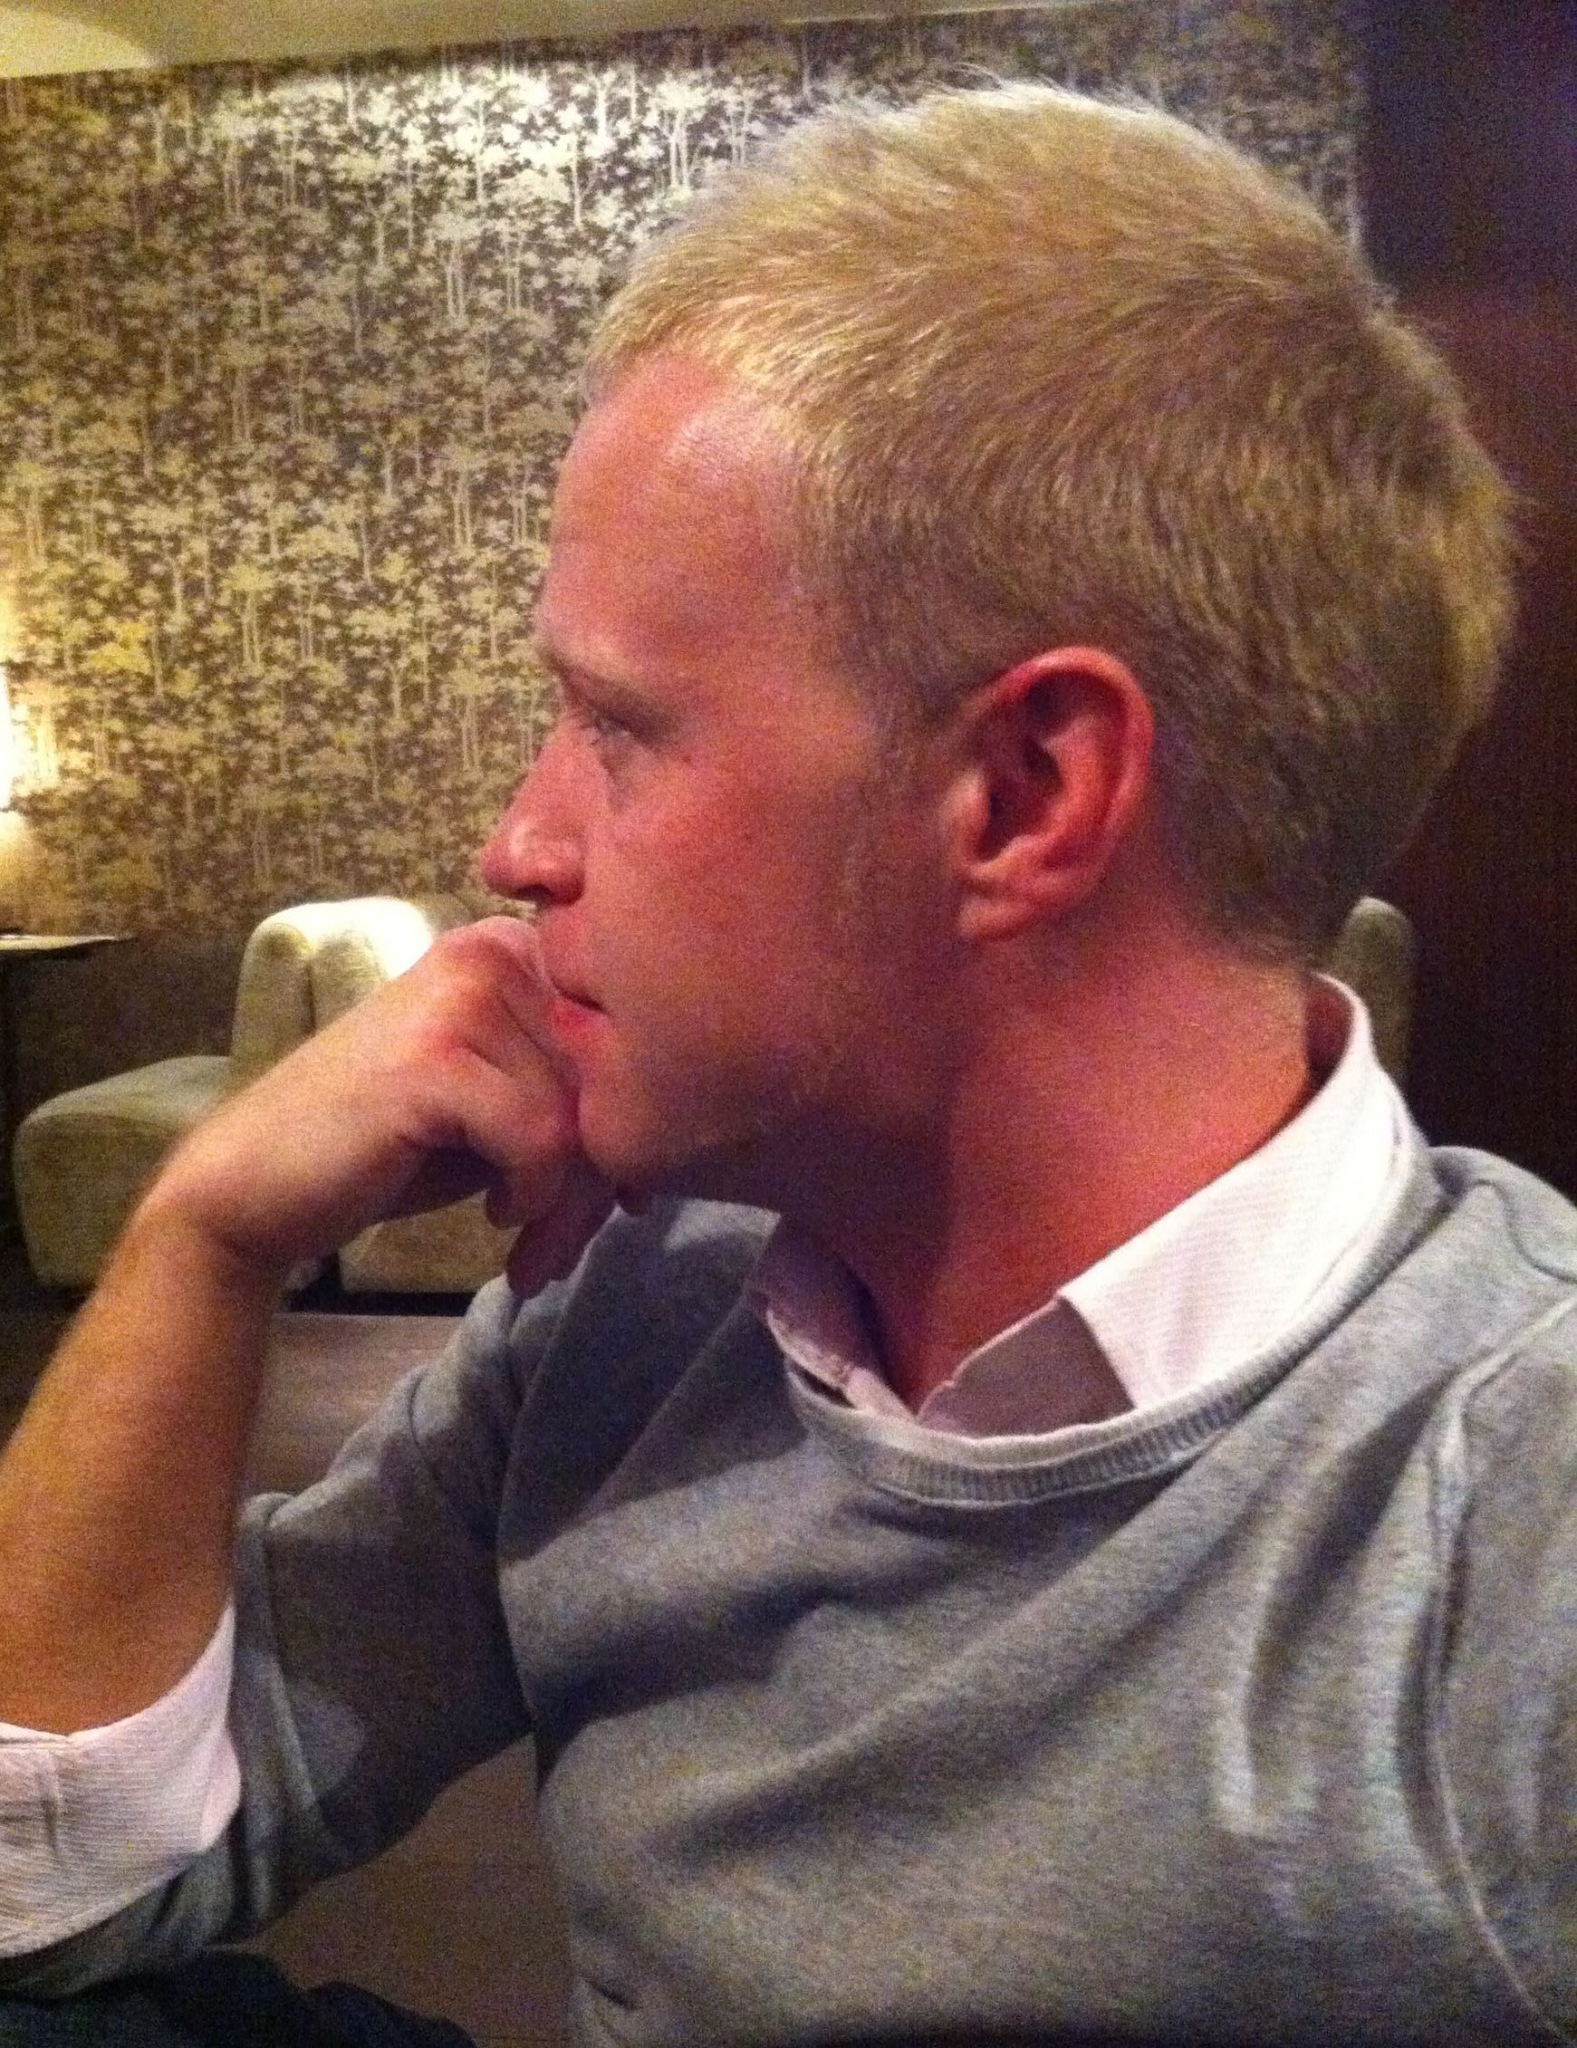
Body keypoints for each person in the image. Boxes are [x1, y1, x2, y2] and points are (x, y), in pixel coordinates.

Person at [0, 79, 1565, 2048]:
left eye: (617, 726)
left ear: (1024, 792)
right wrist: (205, 1239)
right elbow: (54, 1890)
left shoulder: (1515, 1519)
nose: (517, 842)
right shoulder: (644, 1302)